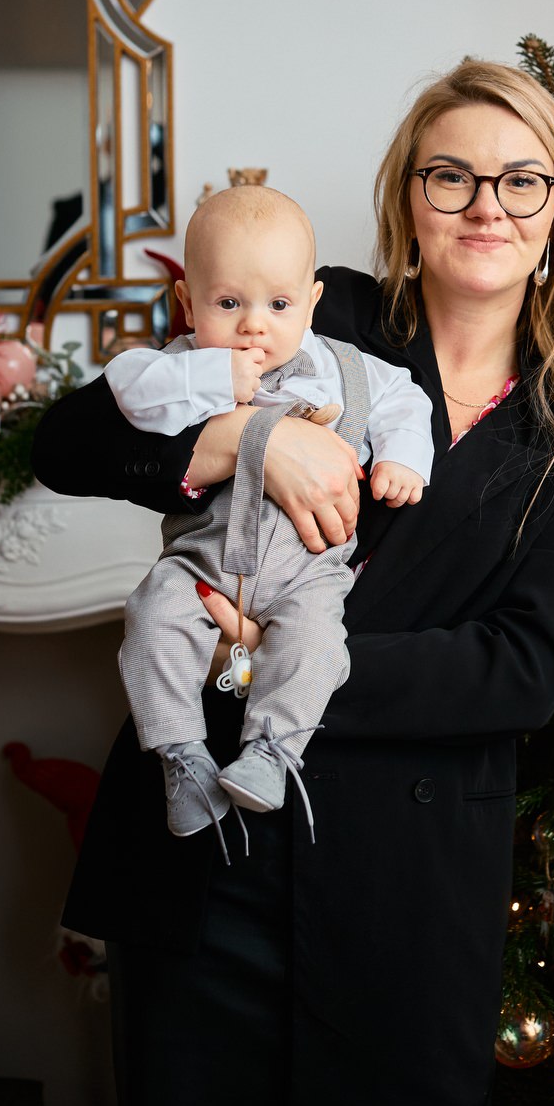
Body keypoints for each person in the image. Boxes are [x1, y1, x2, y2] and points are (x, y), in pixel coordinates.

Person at [31, 60, 554, 1106]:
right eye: (452, 176)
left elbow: (520, 669)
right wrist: (249, 437)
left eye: (521, 180)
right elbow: (69, 445)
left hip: (405, 890)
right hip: (208, 865)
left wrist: (267, 665)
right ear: (408, 198)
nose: (486, 206)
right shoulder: (315, 309)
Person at [103, 186, 433, 841]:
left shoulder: (347, 369)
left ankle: (271, 754)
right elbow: (126, 387)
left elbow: (406, 400)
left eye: (279, 305)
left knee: (316, 644)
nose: (254, 325)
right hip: (201, 561)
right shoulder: (180, 367)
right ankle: (182, 758)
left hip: (308, 569)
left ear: (311, 301)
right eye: (228, 304)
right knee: (152, 616)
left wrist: (403, 460)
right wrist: (211, 380)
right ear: (187, 302)